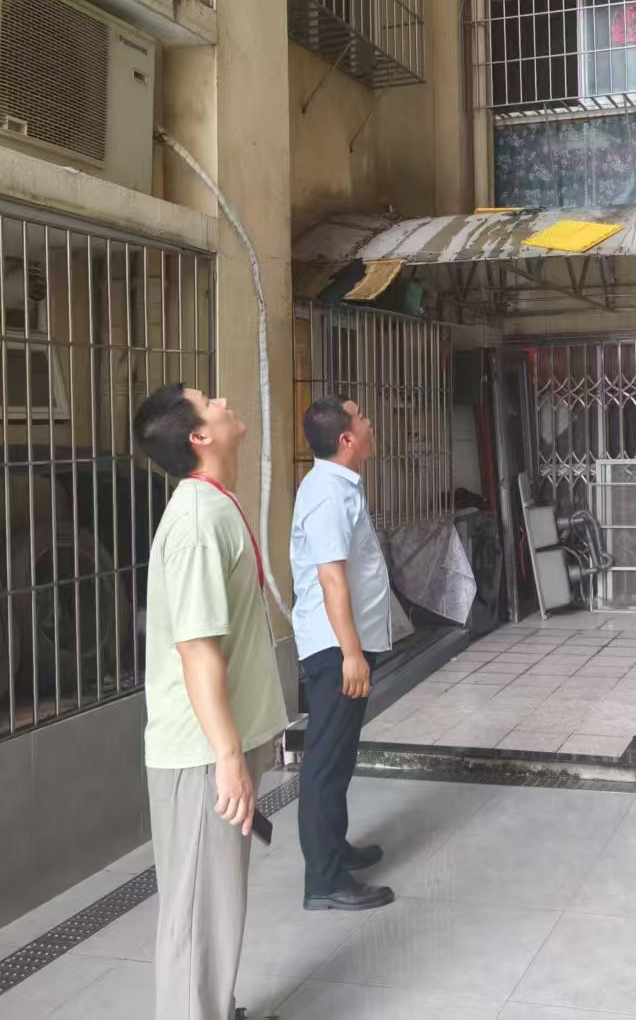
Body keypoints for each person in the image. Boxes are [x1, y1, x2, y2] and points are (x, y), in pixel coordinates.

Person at [133, 383, 289, 1020]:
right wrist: (227, 757)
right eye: (210, 401)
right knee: (198, 916)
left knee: (215, 906)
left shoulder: (214, 503)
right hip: (202, 752)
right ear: (199, 436)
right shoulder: (197, 523)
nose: (224, 402)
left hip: (217, 744)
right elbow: (197, 650)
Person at [290, 396, 396, 912]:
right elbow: (331, 578)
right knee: (326, 761)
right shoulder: (327, 494)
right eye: (362, 418)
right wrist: (351, 654)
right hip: (335, 647)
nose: (370, 422)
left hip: (346, 643)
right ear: (348, 439)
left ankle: (335, 848)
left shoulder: (339, 485)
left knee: (340, 754)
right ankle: (324, 880)